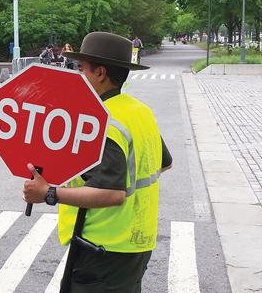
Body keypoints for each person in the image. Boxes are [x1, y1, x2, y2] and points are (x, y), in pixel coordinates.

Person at [23, 32, 172, 293]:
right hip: (136, 245)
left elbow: (112, 194)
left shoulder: (103, 121)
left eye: (81, 68)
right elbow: (164, 163)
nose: (76, 74)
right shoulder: (139, 111)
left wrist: (48, 193)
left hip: (103, 251)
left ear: (100, 73)